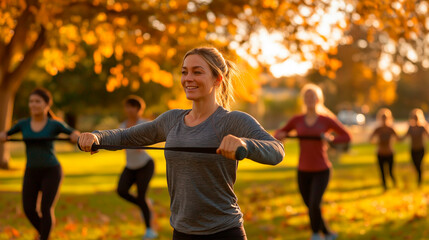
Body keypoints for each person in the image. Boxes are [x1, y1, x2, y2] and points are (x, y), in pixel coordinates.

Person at [78, 47, 285, 240]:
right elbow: (127, 137)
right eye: (184, 72)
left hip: (224, 231)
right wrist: (97, 137)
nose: (188, 79)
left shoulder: (232, 121)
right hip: (182, 231)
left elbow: (277, 151)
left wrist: (244, 144)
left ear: (217, 79)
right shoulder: (172, 120)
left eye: (197, 72)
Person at [0, 88, 80, 240]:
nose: (33, 104)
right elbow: (6, 134)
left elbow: (73, 132)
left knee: (46, 208)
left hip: (51, 171)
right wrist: (3, 136)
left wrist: (75, 136)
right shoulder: (23, 124)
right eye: (31, 101)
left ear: (46, 105)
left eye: (37, 101)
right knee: (29, 209)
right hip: (31, 171)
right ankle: (45, 235)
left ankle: (43, 237)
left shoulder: (54, 125)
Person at [274, 83, 351, 240]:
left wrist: (330, 139)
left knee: (314, 204)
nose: (309, 99)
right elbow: (278, 134)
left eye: (312, 96)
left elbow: (346, 136)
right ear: (303, 100)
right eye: (306, 96)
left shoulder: (326, 120)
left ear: (318, 99)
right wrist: (281, 135)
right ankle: (328, 233)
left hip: (321, 169)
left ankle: (316, 234)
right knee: (310, 205)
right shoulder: (297, 120)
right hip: (303, 170)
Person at [117, 95, 157, 239]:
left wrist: (142, 143)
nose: (129, 109)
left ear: (139, 109)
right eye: (127, 106)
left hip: (145, 165)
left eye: (132, 106)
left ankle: (149, 231)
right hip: (130, 166)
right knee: (121, 191)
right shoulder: (122, 126)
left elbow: (152, 139)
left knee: (141, 195)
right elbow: (120, 143)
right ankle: (144, 204)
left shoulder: (145, 123)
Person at [369, 108, 399, 191]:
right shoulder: (378, 129)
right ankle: (385, 187)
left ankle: (394, 184)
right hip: (380, 153)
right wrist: (376, 142)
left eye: (385, 118)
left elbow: (398, 138)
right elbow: (370, 139)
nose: (384, 119)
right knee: (382, 172)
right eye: (382, 118)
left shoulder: (391, 128)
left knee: (390, 171)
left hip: (389, 152)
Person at [401, 108, 429, 186]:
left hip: (421, 149)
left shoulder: (422, 127)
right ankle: (419, 177)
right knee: (415, 165)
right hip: (413, 149)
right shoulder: (410, 127)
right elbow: (404, 137)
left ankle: (419, 179)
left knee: (419, 164)